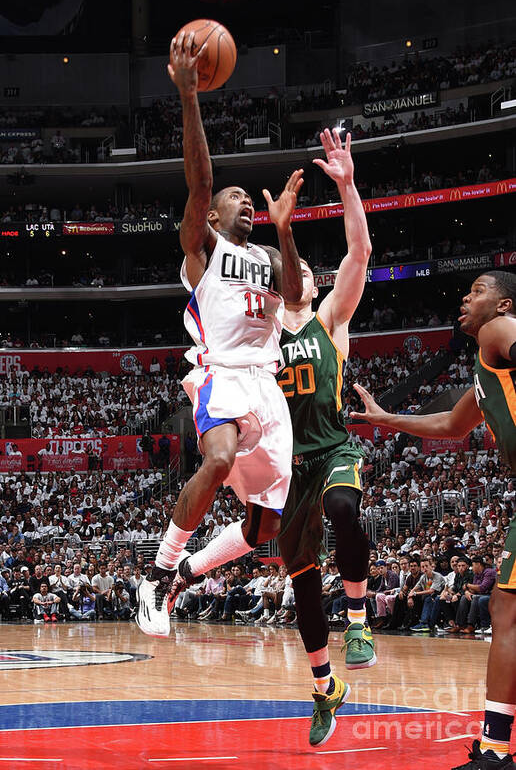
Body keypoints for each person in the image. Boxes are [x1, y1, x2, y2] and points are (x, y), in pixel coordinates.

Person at [137, 29, 303, 637]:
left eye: (246, 199)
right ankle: (158, 571)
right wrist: (189, 96)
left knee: (267, 529)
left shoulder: (267, 251)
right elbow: (199, 182)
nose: (244, 203)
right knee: (219, 457)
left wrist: (284, 228)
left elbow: (292, 299)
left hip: (268, 383)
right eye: (235, 197)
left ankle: (185, 578)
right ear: (210, 217)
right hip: (222, 374)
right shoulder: (202, 252)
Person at [351, 270, 516, 769]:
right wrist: (386, 419)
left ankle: (493, 751)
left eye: (479, 290)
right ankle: (493, 747)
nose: (466, 298)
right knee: (506, 613)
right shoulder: (486, 368)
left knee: (506, 614)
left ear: (504, 304)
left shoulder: (499, 332)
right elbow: (449, 423)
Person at [270, 126, 371, 747]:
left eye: (305, 268)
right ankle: (324, 686)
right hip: (286, 468)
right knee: (302, 580)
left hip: (333, 447)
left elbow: (358, 254)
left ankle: (359, 617)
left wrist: (348, 187)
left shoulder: (330, 315)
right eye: (291, 267)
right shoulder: (259, 339)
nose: (298, 273)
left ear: (311, 282)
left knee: (344, 506)